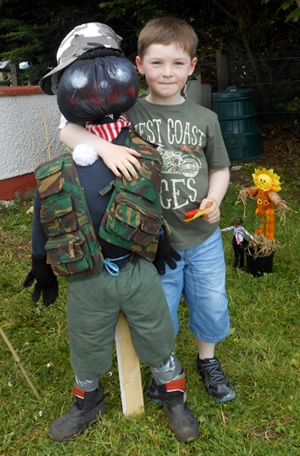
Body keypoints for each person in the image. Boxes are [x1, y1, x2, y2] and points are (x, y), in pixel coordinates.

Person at [23, 22, 199, 444]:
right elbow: (45, 209)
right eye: (85, 73)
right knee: (86, 341)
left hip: (136, 267)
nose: (99, 83)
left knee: (157, 334)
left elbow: (150, 197)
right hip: (87, 274)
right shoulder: (64, 159)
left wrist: (162, 243)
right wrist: (39, 260)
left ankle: (171, 394)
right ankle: (88, 399)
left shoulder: (138, 144)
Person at [60, 17, 236, 404]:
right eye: (156, 63)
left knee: (211, 301)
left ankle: (208, 361)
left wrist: (215, 200)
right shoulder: (127, 115)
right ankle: (164, 366)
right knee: (160, 313)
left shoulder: (206, 118)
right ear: (138, 66)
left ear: (192, 67)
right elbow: (68, 131)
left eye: (177, 63)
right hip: (153, 243)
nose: (167, 72)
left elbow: (220, 168)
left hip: (202, 238)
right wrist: (105, 148)